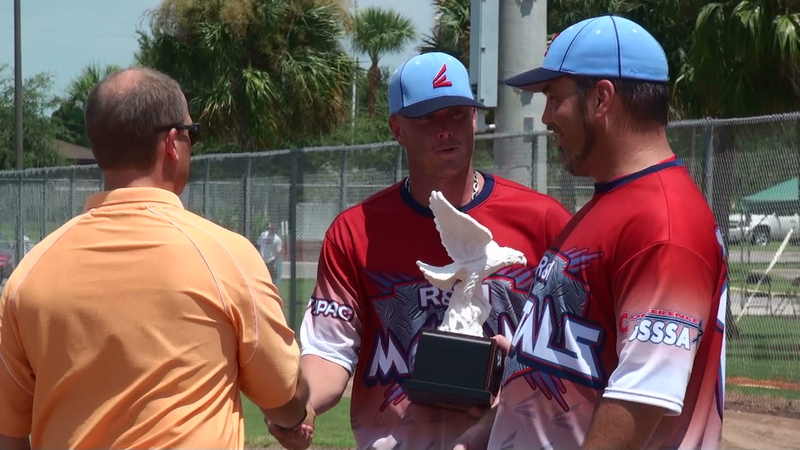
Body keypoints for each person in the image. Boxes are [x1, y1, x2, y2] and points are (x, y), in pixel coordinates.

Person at [267, 52, 572, 450]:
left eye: (457, 113)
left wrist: (521, 375)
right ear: (397, 129)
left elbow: (574, 352)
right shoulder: (358, 232)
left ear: (475, 119)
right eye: (427, 118)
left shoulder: (543, 221)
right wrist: (301, 406)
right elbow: (329, 350)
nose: (445, 130)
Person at [0, 67, 311, 450]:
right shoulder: (226, 258)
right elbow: (284, 397)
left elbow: (9, 434)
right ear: (172, 143)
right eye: (192, 133)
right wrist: (296, 418)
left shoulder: (28, 276)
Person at [482, 15, 728, 450]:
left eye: (553, 97)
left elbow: (639, 403)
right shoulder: (609, 205)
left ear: (601, 98)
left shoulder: (664, 225)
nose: (546, 117)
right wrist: (529, 361)